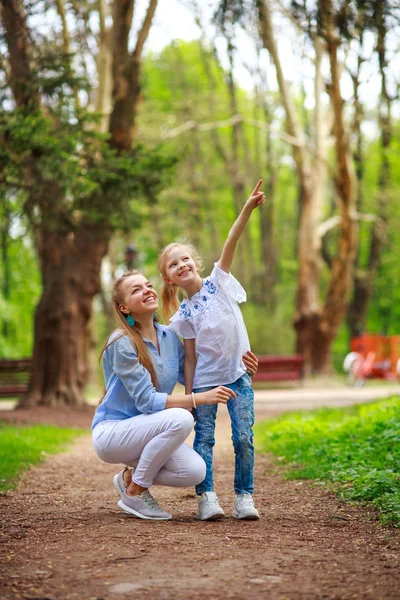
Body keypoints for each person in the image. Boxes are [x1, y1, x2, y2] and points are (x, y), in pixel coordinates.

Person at [92, 270, 258, 521]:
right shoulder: (121, 341)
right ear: (124, 308)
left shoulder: (169, 337)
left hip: (151, 431)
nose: (147, 290)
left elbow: (200, 372)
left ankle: (129, 478)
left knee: (194, 472)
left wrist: (240, 371)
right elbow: (147, 401)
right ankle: (136, 491)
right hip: (114, 433)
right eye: (136, 290)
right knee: (182, 418)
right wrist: (198, 400)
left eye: (148, 285)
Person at [158, 180, 265, 521]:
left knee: (244, 438)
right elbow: (188, 358)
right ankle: (206, 497)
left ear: (196, 262)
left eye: (185, 258)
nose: (181, 265)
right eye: (173, 265)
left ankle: (244, 497)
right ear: (170, 279)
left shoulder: (219, 282)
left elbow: (231, 239)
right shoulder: (183, 316)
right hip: (205, 385)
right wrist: (189, 398)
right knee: (203, 440)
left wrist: (247, 208)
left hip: (238, 378)